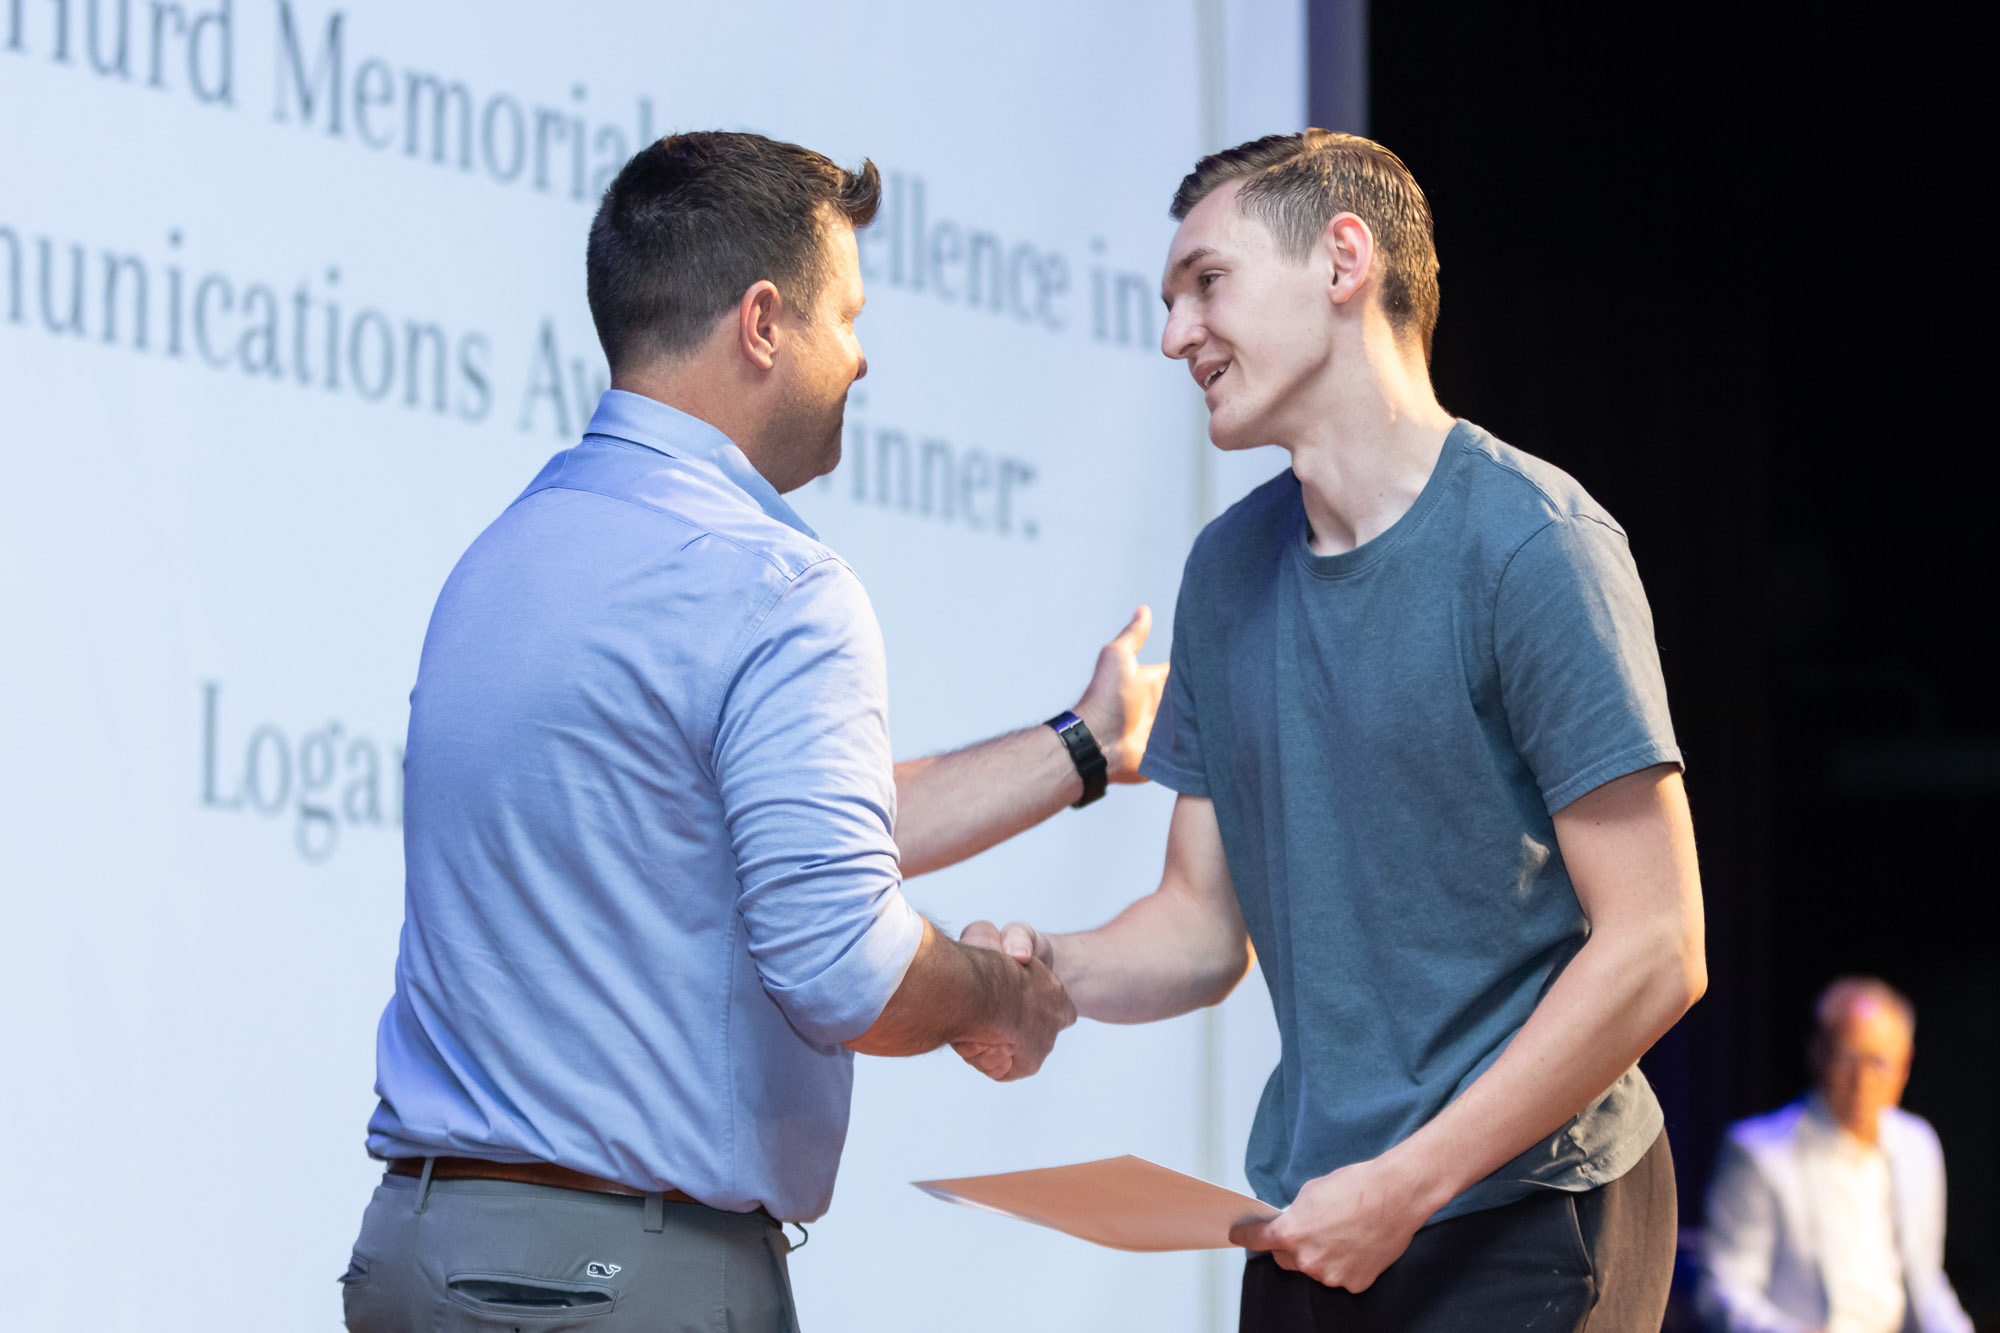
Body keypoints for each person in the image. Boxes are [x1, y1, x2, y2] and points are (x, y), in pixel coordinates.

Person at [338, 131, 1167, 1333]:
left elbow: (753, 831)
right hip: (618, 1276)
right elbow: (843, 962)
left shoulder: (502, 558)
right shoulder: (772, 579)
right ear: (764, 321)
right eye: (850, 314)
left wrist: (1083, 744)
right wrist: (998, 997)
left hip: (422, 1252)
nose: (864, 356)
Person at [966, 129, 1707, 1329]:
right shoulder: (1226, 570)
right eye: (1167, 300)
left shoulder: (1532, 546)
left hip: (1527, 1206)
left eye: (1205, 281)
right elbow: (1201, 928)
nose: (1173, 335)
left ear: (1342, 258)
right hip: (1319, 1220)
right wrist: (1047, 976)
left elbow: (1658, 941)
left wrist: (1408, 1182)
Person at [1698, 978, 1974, 1333]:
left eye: (1879, 1063)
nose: (1863, 1080)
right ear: (1818, 1055)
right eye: (1848, 1059)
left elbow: (1927, 1283)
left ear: (1904, 1068)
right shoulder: (1757, 1153)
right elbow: (1723, 1292)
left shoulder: (1917, 1145)